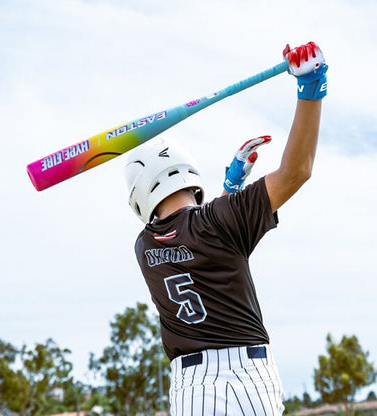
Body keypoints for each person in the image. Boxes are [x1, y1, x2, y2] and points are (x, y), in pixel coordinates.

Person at [124, 41, 328, 416]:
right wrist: (311, 88)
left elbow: (201, 240)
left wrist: (231, 193)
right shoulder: (222, 220)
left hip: (190, 388)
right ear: (189, 173)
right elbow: (297, 172)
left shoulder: (144, 247)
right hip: (248, 377)